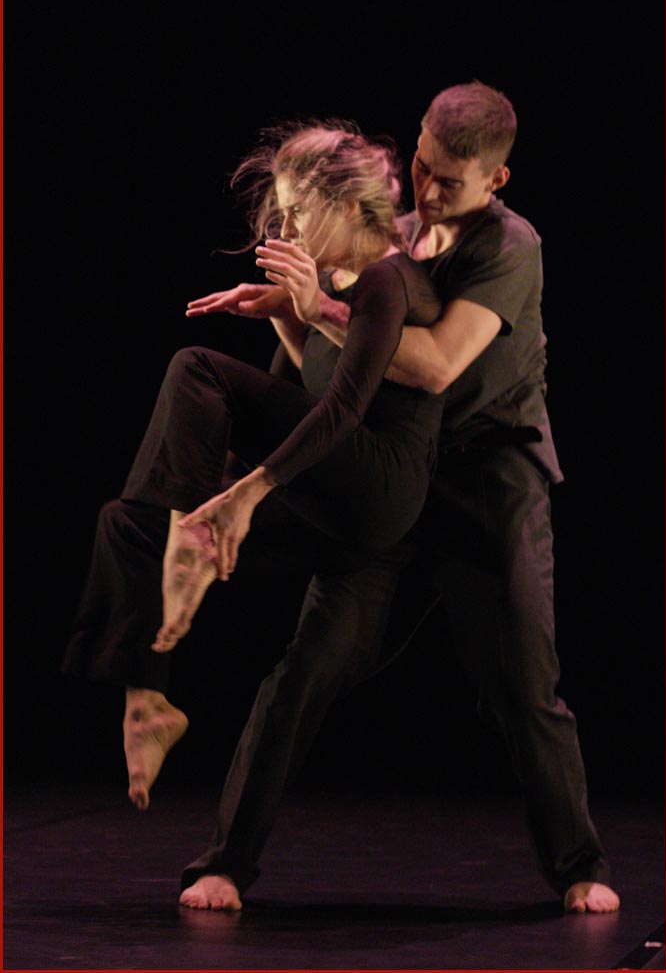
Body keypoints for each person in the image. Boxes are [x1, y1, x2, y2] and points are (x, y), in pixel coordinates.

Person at [183, 82, 620, 915]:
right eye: (421, 167)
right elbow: (335, 379)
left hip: (492, 478)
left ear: (497, 179)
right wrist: (288, 316)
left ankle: (579, 866)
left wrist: (321, 308)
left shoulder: (510, 245)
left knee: (522, 683)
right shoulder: (394, 237)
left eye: (450, 181)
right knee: (308, 666)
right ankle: (226, 862)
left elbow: (437, 365)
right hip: (395, 472)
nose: (427, 189)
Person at [62, 122, 449, 910]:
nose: (286, 230)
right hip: (330, 501)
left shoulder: (389, 278)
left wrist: (239, 498)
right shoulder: (324, 287)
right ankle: (153, 707)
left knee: (196, 368)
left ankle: (186, 548)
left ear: (343, 204)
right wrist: (286, 318)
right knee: (128, 527)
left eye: (297, 212)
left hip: (381, 499)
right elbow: (287, 407)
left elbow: (342, 413)